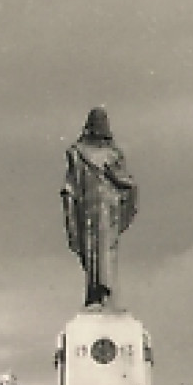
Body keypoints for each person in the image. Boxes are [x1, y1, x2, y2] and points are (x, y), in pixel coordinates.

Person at [61, 107, 138, 308]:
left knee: (104, 252)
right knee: (92, 251)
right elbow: (70, 185)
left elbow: (127, 183)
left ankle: (104, 295)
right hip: (89, 208)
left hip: (107, 210)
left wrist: (117, 181)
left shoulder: (113, 154)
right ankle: (96, 295)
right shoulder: (77, 153)